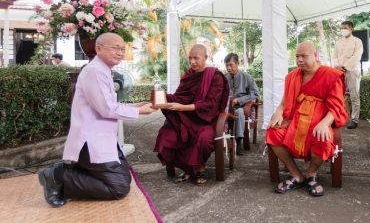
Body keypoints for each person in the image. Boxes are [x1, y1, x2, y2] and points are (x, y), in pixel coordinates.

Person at [38, 33, 155, 208]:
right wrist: (139, 111)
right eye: (115, 48)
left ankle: (69, 172)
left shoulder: (103, 70)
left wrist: (135, 106)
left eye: (123, 49)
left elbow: (107, 104)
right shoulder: (95, 71)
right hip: (90, 140)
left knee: (124, 177)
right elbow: (107, 109)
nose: (120, 52)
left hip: (104, 137)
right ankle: (59, 177)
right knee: (119, 188)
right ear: (98, 48)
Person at [266, 42, 348, 197]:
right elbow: (283, 103)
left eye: (304, 56)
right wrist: (278, 112)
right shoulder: (292, 77)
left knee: (323, 140)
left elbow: (337, 107)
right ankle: (296, 175)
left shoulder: (330, 75)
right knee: (273, 133)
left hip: (318, 123)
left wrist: (325, 123)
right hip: (294, 123)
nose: (299, 59)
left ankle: (311, 173)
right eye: (297, 56)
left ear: (315, 56)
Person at [154, 44, 229, 185]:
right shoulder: (189, 75)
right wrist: (162, 98)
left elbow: (210, 104)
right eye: (190, 58)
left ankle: (196, 169)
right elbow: (179, 97)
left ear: (205, 57)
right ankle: (192, 168)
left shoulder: (215, 76)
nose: (192, 62)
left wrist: (182, 108)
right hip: (187, 117)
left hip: (207, 119)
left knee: (203, 137)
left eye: (196, 58)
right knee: (168, 134)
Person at [224, 53, 260, 155]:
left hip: (242, 106)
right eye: (226, 65)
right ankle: (219, 138)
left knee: (239, 112)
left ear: (238, 63)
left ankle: (238, 142)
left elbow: (255, 93)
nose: (228, 68)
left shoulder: (247, 77)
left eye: (231, 65)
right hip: (227, 107)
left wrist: (239, 100)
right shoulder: (224, 78)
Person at [332, 21, 363, 129]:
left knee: (354, 95)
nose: (343, 30)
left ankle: (354, 120)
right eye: (342, 28)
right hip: (339, 71)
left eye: (345, 28)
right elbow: (334, 56)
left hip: (352, 70)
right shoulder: (338, 42)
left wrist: (344, 66)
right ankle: (339, 118)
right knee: (338, 95)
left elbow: (357, 56)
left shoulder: (357, 41)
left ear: (351, 29)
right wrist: (337, 65)